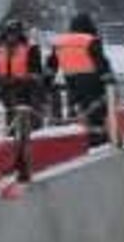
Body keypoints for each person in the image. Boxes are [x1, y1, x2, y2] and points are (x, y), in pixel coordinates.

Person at [49, 12, 116, 144]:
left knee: (76, 110)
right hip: (92, 82)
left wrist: (47, 82)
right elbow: (101, 62)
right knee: (96, 112)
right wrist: (109, 80)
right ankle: (97, 139)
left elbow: (51, 65)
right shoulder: (90, 40)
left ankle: (77, 139)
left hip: (71, 82)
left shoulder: (60, 43)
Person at [0, 19, 48, 122]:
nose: (12, 36)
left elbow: (36, 71)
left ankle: (34, 128)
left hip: (26, 89)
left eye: (15, 32)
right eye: (10, 32)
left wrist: (28, 77)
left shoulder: (30, 48)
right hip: (5, 88)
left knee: (29, 116)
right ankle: (12, 133)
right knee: (11, 115)